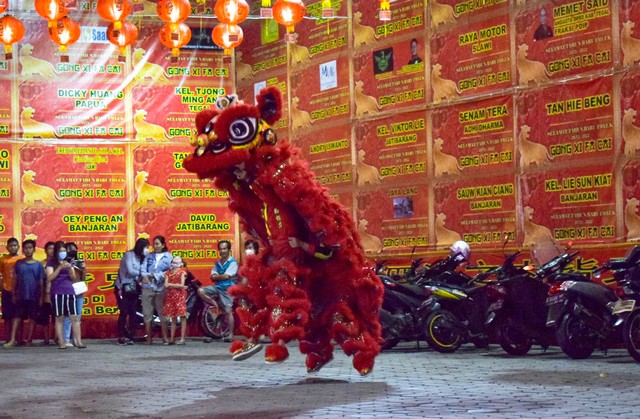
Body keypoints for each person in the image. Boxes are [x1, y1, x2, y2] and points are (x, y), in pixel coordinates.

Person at [4, 239, 45, 348]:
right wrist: (13, 294)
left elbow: (41, 283)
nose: (28, 250)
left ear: (34, 249)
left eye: (30, 248)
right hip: (20, 295)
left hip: (34, 296)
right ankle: (12, 340)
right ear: (23, 249)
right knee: (16, 317)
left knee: (33, 318)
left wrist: (41, 297)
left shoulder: (38, 265)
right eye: (26, 248)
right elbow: (15, 280)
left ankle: (29, 340)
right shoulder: (19, 263)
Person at [46, 241, 85, 349]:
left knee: (75, 318)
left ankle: (79, 342)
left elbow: (73, 278)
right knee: (60, 318)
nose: (63, 253)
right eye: (60, 251)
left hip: (70, 292)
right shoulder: (51, 263)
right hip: (57, 293)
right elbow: (49, 278)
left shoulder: (69, 261)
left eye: (64, 251)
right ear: (56, 252)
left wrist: (70, 268)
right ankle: (62, 342)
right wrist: (59, 268)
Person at [198, 240, 237, 342]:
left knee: (228, 311)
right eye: (220, 249)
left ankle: (231, 335)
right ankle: (215, 304)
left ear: (228, 250)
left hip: (228, 289)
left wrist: (218, 277)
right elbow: (213, 277)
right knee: (201, 291)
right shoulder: (217, 263)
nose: (222, 251)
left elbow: (227, 276)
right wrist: (221, 277)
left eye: (224, 249)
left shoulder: (232, 262)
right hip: (217, 288)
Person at [115, 238, 149, 345]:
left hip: (135, 287)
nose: (147, 250)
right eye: (146, 247)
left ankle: (131, 336)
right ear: (140, 247)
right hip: (123, 287)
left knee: (133, 312)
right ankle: (121, 336)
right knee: (124, 312)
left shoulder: (143, 258)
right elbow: (130, 270)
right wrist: (143, 273)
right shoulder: (129, 255)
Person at [141, 235, 172, 345]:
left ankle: (165, 338)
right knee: (147, 313)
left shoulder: (169, 257)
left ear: (163, 245)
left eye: (158, 244)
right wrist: (148, 276)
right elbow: (142, 269)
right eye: (154, 244)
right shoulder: (149, 256)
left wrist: (157, 276)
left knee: (162, 313)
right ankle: (149, 338)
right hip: (148, 287)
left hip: (161, 288)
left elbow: (170, 271)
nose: (155, 246)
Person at [0, 238, 24, 345]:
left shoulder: (22, 259)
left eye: (15, 245)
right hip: (7, 291)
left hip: (19, 292)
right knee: (7, 316)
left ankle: (19, 338)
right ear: (7, 247)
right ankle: (8, 338)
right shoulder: (3, 259)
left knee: (19, 316)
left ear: (18, 246)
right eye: (11, 246)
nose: (13, 247)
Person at [63, 242, 87, 347]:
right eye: (69, 250)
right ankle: (66, 339)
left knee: (78, 317)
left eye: (73, 249)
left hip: (79, 292)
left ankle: (77, 339)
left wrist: (83, 268)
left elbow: (83, 278)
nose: (72, 251)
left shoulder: (80, 262)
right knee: (68, 317)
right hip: (68, 290)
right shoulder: (64, 262)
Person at [163, 255, 187, 345]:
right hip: (170, 296)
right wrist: (173, 285)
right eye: (174, 261)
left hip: (179, 296)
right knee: (172, 317)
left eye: (178, 261)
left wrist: (170, 285)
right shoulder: (168, 272)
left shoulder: (182, 273)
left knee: (182, 316)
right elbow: (165, 285)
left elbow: (181, 285)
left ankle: (182, 339)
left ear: (181, 264)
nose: (175, 262)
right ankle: (172, 339)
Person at [34, 241, 55, 345]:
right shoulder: (41, 264)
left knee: (57, 317)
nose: (51, 250)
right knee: (44, 318)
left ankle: (57, 338)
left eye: (53, 248)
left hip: (56, 293)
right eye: (49, 248)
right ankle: (46, 339)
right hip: (44, 294)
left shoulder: (58, 264)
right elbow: (39, 280)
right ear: (45, 251)